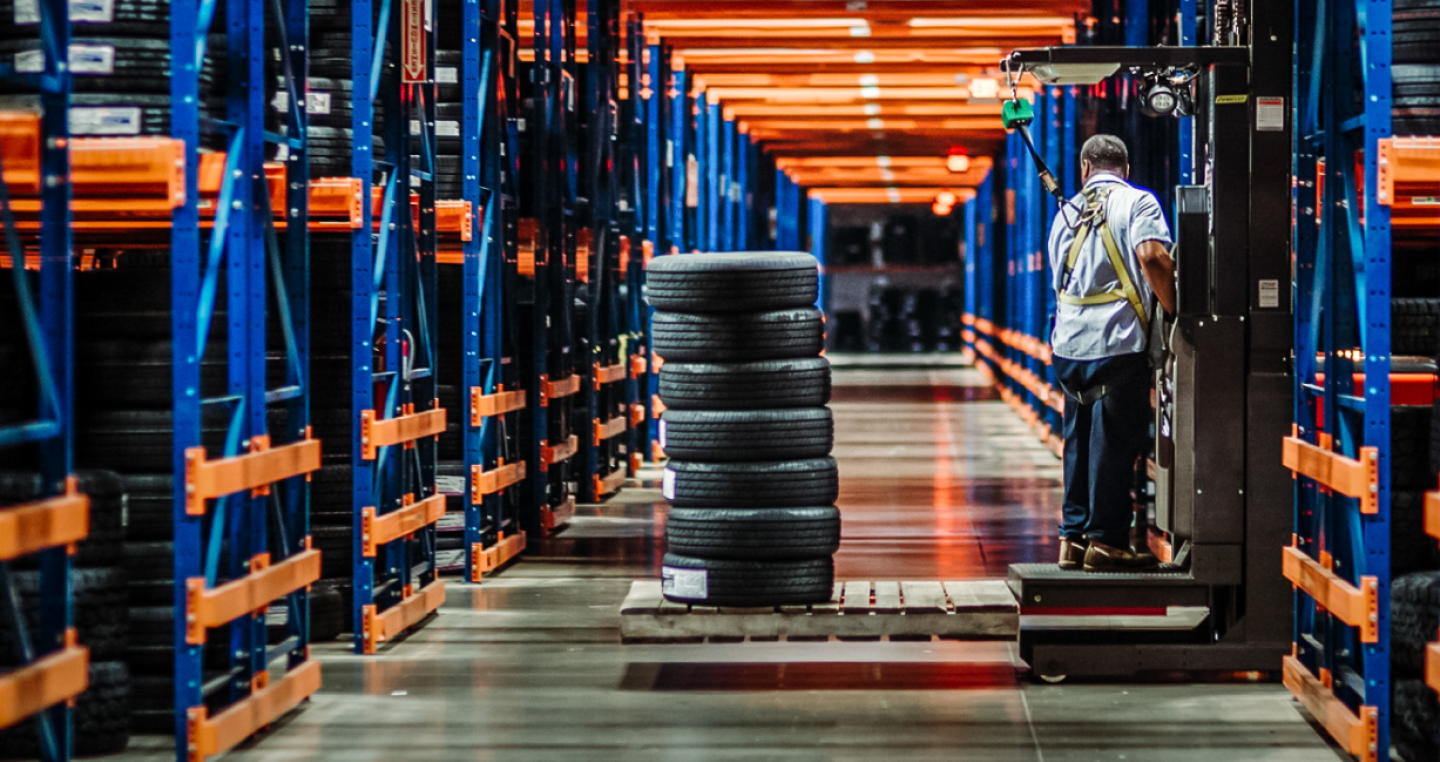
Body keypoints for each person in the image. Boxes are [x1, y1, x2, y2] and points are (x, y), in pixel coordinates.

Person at [1048, 134, 1176, 572]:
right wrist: (1174, 309)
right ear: (1126, 168)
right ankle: (1106, 542)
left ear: (1085, 168)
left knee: (1078, 443)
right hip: (1117, 346)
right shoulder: (1138, 203)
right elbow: (1153, 256)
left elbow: (1058, 280)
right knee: (1116, 446)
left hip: (1068, 348)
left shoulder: (1064, 214)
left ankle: (1072, 538)